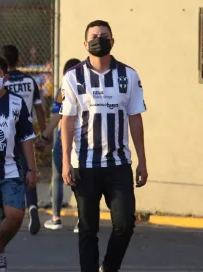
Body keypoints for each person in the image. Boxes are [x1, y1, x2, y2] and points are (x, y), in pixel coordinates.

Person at [60, 20, 148, 272]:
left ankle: (108, 267)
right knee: (88, 228)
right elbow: (67, 121)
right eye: (94, 36)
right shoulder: (72, 76)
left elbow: (135, 118)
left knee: (125, 223)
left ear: (113, 40)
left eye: (104, 35)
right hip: (84, 165)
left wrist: (142, 160)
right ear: (85, 43)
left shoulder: (129, 75)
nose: (100, 39)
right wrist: (66, 161)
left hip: (119, 164)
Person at [0, 55, 37, 272]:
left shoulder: (16, 102)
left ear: (5, 77)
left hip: (11, 169)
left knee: (15, 215)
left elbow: (27, 137)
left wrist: (31, 168)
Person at [0, 45, 46, 235]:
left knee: (3, 170)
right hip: (25, 131)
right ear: (19, 60)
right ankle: (33, 206)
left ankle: (3, 213)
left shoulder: (2, 82)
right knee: (29, 171)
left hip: (5, 131)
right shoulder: (29, 80)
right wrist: (44, 134)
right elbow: (40, 109)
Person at [36, 58, 81, 232]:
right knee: (80, 181)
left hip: (65, 140)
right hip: (83, 141)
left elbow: (57, 115)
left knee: (58, 178)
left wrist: (45, 136)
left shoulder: (64, 88)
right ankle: (81, 220)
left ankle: (56, 218)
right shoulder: (90, 87)